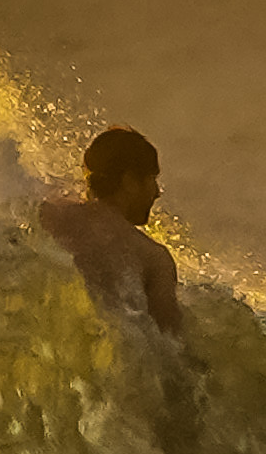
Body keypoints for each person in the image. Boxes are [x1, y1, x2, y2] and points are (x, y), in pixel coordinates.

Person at [35, 125, 188, 341]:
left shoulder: (50, 215)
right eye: (152, 179)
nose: (157, 192)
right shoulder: (153, 258)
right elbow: (171, 345)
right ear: (130, 182)